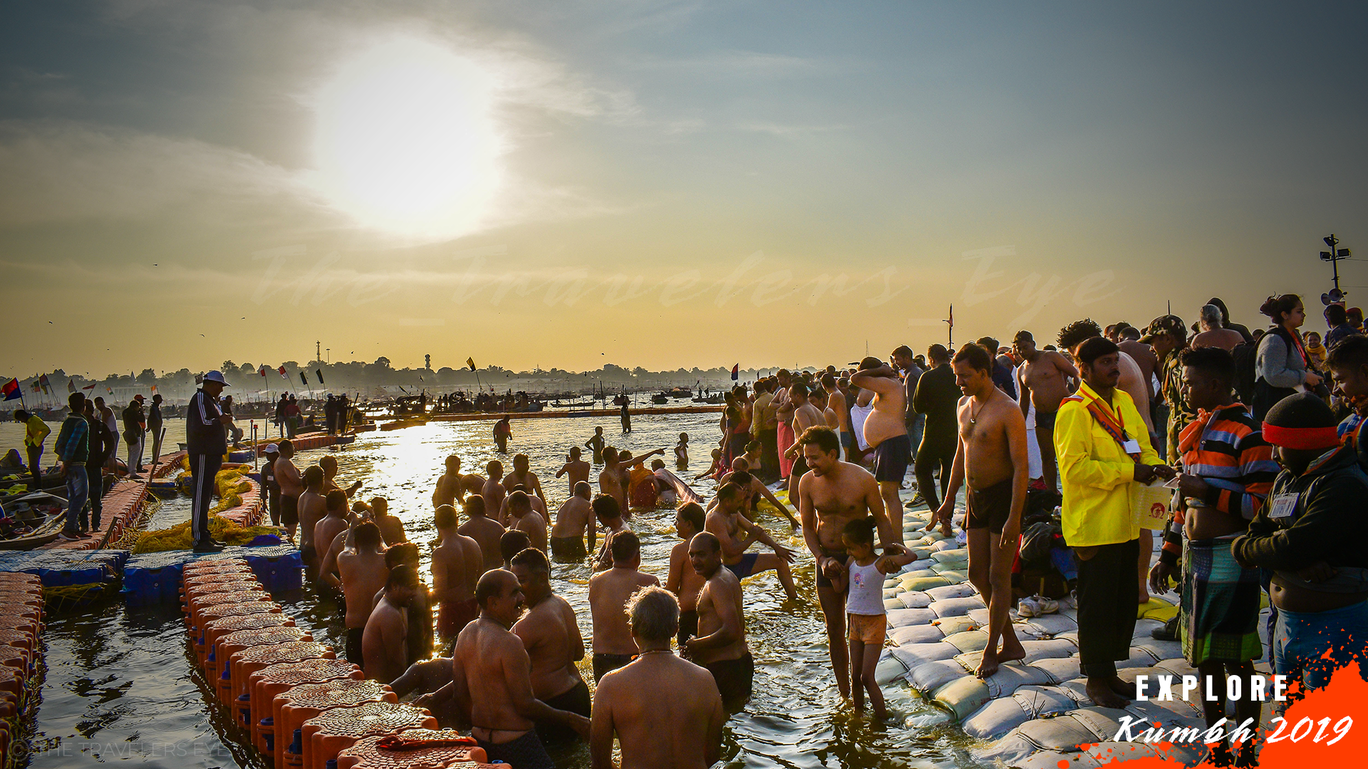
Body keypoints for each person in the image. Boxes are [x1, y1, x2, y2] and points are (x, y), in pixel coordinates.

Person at [1148, 347, 1274, 767]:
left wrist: (1209, 493)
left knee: (1236, 657)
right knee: (1204, 658)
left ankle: (1247, 747)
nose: (1182, 388)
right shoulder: (1196, 432)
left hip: (1234, 557)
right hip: (1196, 559)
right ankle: (1219, 746)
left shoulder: (1246, 433)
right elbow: (1183, 502)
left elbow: (1262, 505)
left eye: (1189, 381)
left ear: (1215, 384)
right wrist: (1168, 552)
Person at [1055, 337, 1173, 708]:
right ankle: (1095, 678)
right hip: (1094, 523)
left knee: (1121, 601)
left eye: (1115, 362)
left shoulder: (1122, 402)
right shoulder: (1074, 411)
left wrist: (1153, 467)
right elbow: (1075, 470)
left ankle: (1110, 673)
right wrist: (1130, 472)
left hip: (1127, 520)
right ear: (1084, 369)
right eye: (1105, 363)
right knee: (1097, 604)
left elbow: (1145, 443)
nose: (1114, 369)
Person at [1233, 393, 1368, 697]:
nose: (1273, 456)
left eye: (1278, 445)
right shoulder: (1287, 479)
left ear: (1304, 444)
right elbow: (1251, 537)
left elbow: (1292, 546)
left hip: (1336, 630)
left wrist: (1280, 553)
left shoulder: (1345, 485)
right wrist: (1293, 559)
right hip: (1286, 628)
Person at [931, 343, 1030, 677]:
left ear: (985, 373)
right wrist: (948, 499)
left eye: (965, 376)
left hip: (1004, 498)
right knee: (976, 574)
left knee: (998, 577)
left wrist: (1015, 517)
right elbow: (962, 456)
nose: (959, 382)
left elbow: (1021, 467)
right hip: (975, 498)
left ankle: (992, 649)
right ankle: (1012, 642)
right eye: (957, 376)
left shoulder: (1007, 409)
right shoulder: (963, 405)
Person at [446, 570, 590, 768]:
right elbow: (525, 704)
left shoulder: (465, 634)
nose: (522, 598)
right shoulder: (509, 642)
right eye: (514, 593)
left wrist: (485, 723)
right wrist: (570, 718)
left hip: (481, 741)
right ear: (493, 602)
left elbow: (460, 694)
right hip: (518, 744)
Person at [795, 426, 893, 699]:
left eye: (814, 457)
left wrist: (889, 553)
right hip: (827, 558)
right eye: (806, 457)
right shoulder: (807, 482)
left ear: (832, 453)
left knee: (858, 626)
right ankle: (844, 693)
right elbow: (807, 527)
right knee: (833, 626)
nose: (809, 463)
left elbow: (882, 520)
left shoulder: (862, 479)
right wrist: (821, 558)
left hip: (858, 560)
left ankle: (861, 685)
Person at [590, 586, 724, 769]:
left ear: (633, 630)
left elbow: (600, 764)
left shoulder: (610, 685)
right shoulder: (705, 679)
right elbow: (713, 756)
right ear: (675, 629)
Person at [510, 548, 590, 746]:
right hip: (578, 695)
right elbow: (579, 653)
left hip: (554, 708)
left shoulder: (530, 622)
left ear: (542, 577)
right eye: (513, 583)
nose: (517, 590)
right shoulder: (562, 605)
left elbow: (489, 661)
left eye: (521, 581)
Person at [837, 518, 914, 720]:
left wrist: (891, 546)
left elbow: (911, 556)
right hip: (854, 622)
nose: (848, 553)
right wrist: (829, 570)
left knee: (867, 676)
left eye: (851, 548)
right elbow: (839, 586)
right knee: (855, 675)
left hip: (874, 623)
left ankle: (882, 719)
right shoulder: (852, 562)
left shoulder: (880, 563)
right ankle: (858, 713)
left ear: (865, 546)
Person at [684, 532, 752, 708]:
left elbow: (732, 631)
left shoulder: (717, 584)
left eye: (701, 554)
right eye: (691, 554)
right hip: (737, 664)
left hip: (725, 669)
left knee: (719, 723)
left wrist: (696, 645)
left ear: (717, 555)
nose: (695, 560)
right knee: (735, 721)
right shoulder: (726, 576)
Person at [850, 358, 912, 540]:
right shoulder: (888, 384)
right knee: (887, 493)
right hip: (888, 443)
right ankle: (893, 537)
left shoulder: (888, 383)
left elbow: (855, 378)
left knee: (890, 494)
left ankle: (897, 540)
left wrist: (879, 370)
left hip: (892, 442)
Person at [704, 482, 798, 601]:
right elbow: (729, 551)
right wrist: (751, 538)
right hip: (725, 570)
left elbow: (754, 530)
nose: (742, 505)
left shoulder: (733, 513)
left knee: (780, 561)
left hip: (741, 562)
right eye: (738, 501)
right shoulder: (715, 518)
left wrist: (776, 547)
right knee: (734, 605)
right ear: (727, 501)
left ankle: (794, 600)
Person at [588, 530, 659, 681]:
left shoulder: (595, 582)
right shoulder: (649, 582)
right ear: (637, 556)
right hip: (634, 657)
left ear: (612, 556)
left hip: (602, 657)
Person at [1013, 330, 1079, 491]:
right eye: (1019, 349)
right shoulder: (1021, 370)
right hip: (1041, 416)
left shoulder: (1050, 357)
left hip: (1063, 410)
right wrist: (1020, 422)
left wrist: (1078, 398)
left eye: (1025, 347)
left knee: (1069, 453)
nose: (1022, 351)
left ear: (1033, 343)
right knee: (1047, 455)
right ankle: (1052, 492)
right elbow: (1024, 399)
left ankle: (1073, 488)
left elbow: (1076, 374)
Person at [1253, 294, 1321, 421]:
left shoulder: (1292, 336)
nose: (1303, 315)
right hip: (1276, 409)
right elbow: (1274, 375)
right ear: (1285, 315)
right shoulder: (1274, 339)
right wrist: (1304, 377)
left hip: (1288, 405)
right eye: (1299, 311)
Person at [186, 371, 233, 552]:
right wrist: (220, 421)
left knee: (206, 495)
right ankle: (199, 538)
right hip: (203, 453)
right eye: (220, 386)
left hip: (212, 454)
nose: (221, 389)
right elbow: (201, 424)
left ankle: (204, 534)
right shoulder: (200, 398)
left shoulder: (211, 401)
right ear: (212, 384)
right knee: (200, 494)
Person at [914, 344, 960, 522]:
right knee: (948, 475)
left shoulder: (928, 376)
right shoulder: (955, 374)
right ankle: (947, 516)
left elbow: (917, 407)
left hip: (933, 430)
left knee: (921, 469)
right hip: (955, 431)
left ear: (931, 359)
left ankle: (935, 508)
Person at [337, 520, 388, 666]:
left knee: (357, 678)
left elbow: (348, 547)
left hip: (355, 631)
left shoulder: (345, 560)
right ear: (378, 540)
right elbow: (386, 548)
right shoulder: (386, 559)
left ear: (357, 543)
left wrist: (352, 526)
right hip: (379, 629)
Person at [431, 503, 484, 641]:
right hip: (474, 606)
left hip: (452, 611)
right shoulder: (473, 543)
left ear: (437, 523)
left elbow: (440, 592)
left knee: (451, 652)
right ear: (456, 520)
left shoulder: (440, 553)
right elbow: (482, 579)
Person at [363, 563, 419, 684]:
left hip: (379, 687)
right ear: (394, 586)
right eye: (411, 588)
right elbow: (395, 664)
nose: (414, 593)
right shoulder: (390, 615)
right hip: (383, 689)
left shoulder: (388, 606)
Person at [667, 502, 709, 649]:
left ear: (689, 524)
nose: (675, 524)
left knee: (688, 659)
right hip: (710, 610)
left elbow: (671, 589)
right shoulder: (712, 544)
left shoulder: (680, 550)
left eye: (678, 520)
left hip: (689, 614)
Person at [53, 393, 90, 541]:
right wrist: (66, 464)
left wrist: (63, 460)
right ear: (83, 407)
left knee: (73, 497)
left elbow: (58, 445)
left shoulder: (67, 421)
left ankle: (75, 528)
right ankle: (68, 528)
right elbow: (71, 445)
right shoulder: (81, 422)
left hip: (69, 464)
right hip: (76, 465)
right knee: (81, 497)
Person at [80, 400, 109, 532]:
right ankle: (84, 525)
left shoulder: (99, 426)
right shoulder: (78, 425)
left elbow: (110, 443)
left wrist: (102, 458)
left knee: (96, 497)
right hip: (81, 466)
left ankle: (95, 524)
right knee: (81, 498)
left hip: (95, 466)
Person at [891, 346, 924, 464]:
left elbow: (911, 401)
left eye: (898, 359)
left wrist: (908, 419)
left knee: (917, 451)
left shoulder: (911, 376)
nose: (896, 363)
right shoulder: (917, 371)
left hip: (915, 417)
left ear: (906, 358)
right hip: (919, 415)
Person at [459, 495, 505, 574]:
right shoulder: (497, 527)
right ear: (484, 508)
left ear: (467, 510)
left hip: (477, 576)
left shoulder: (463, 531)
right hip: (498, 573)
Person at [551, 481, 595, 560]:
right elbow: (591, 531)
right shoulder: (589, 505)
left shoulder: (564, 503)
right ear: (586, 492)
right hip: (572, 540)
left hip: (555, 540)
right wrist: (590, 553)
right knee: (579, 565)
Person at [297, 465, 328, 569]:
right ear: (321, 481)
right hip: (314, 548)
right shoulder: (320, 500)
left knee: (310, 580)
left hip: (303, 545)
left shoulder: (301, 497)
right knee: (317, 580)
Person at [591, 494, 631, 571]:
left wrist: (594, 564)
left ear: (601, 516)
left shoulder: (617, 535)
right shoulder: (611, 529)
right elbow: (600, 556)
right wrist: (596, 560)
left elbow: (602, 566)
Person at [15, 409, 50, 493]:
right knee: (32, 467)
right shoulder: (29, 422)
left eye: (21, 419)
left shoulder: (34, 420)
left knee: (34, 467)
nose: (21, 421)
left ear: (23, 416)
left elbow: (47, 430)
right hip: (31, 446)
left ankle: (38, 487)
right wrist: (28, 440)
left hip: (36, 446)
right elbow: (32, 433)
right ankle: (36, 486)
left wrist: (36, 441)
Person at [313, 490, 350, 566]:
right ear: (342, 506)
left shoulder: (318, 524)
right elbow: (345, 553)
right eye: (347, 504)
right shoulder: (340, 523)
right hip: (334, 572)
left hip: (322, 572)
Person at [274, 440, 302, 539]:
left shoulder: (279, 461)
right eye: (293, 448)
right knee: (291, 530)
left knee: (291, 530)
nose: (294, 450)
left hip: (288, 497)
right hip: (290, 499)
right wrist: (308, 476)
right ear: (287, 449)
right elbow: (297, 481)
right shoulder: (285, 462)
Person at [506, 490, 548, 554]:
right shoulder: (537, 515)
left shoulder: (525, 522)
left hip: (532, 561)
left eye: (511, 507)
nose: (510, 512)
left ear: (518, 505)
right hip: (543, 559)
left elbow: (515, 548)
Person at [121, 395, 146, 478]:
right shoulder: (133, 412)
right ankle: (133, 472)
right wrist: (141, 412)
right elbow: (141, 419)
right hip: (135, 434)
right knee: (135, 453)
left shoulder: (125, 412)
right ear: (135, 407)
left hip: (128, 433)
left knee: (130, 453)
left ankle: (130, 470)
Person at [261, 443, 281, 527]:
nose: (268, 456)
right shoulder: (265, 468)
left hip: (283, 495)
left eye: (270, 454)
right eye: (267, 454)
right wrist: (264, 500)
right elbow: (263, 485)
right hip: (273, 496)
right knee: (274, 519)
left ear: (276, 454)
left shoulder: (282, 466)